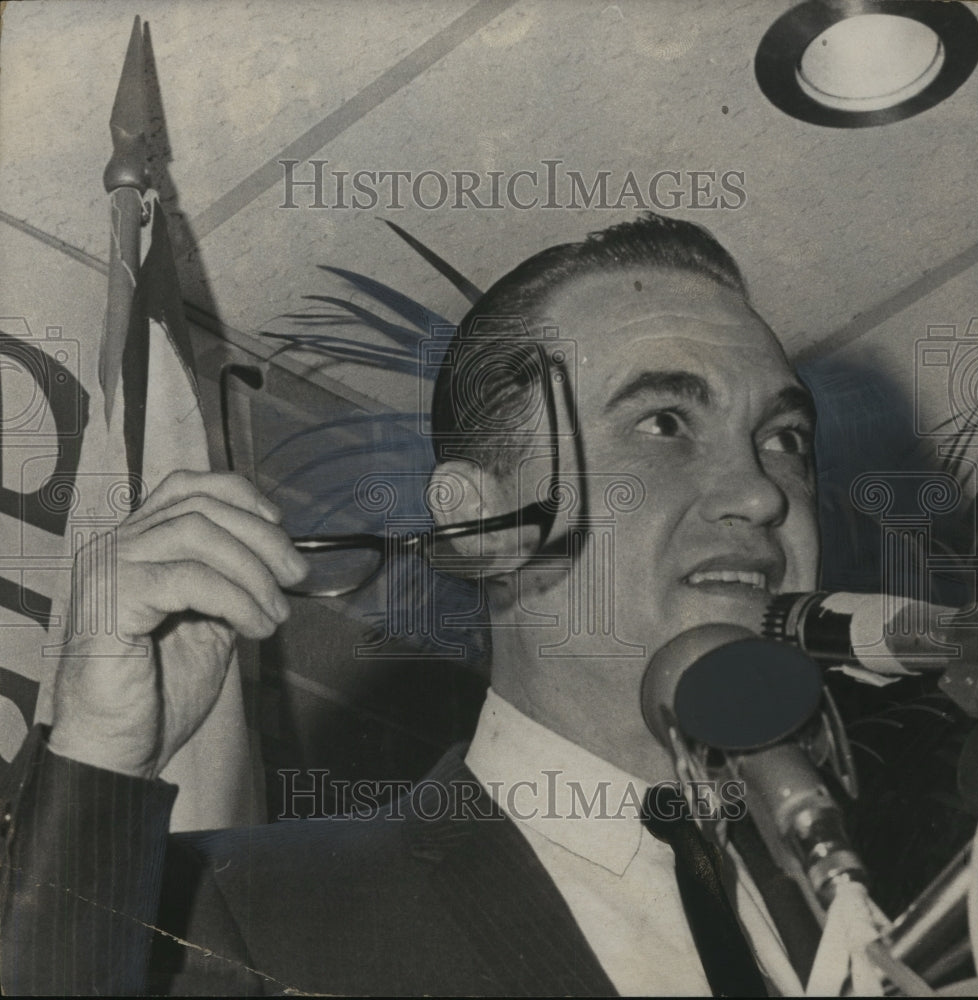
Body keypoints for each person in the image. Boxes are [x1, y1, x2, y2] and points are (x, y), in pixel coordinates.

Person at [0, 214, 820, 996]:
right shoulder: (235, 914)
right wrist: (99, 749)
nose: (759, 494)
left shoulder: (879, 919)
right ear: (477, 524)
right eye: (664, 421)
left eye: (784, 440)